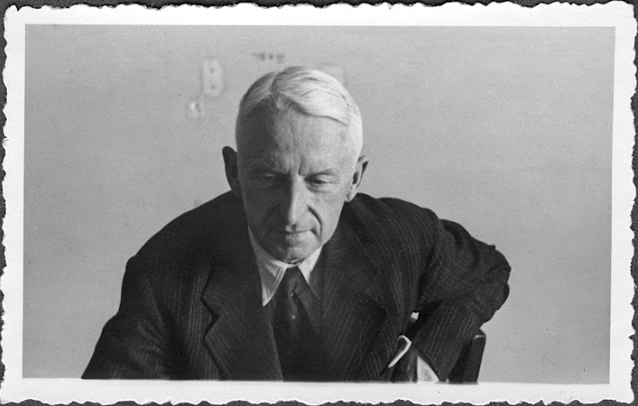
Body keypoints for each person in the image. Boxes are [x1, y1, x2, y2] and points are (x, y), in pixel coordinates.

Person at [83, 66, 511, 381]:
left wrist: (429, 355)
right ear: (234, 173)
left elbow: (488, 272)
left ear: (354, 179)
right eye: (269, 178)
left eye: (319, 182)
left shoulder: (399, 236)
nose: (291, 215)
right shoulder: (163, 273)